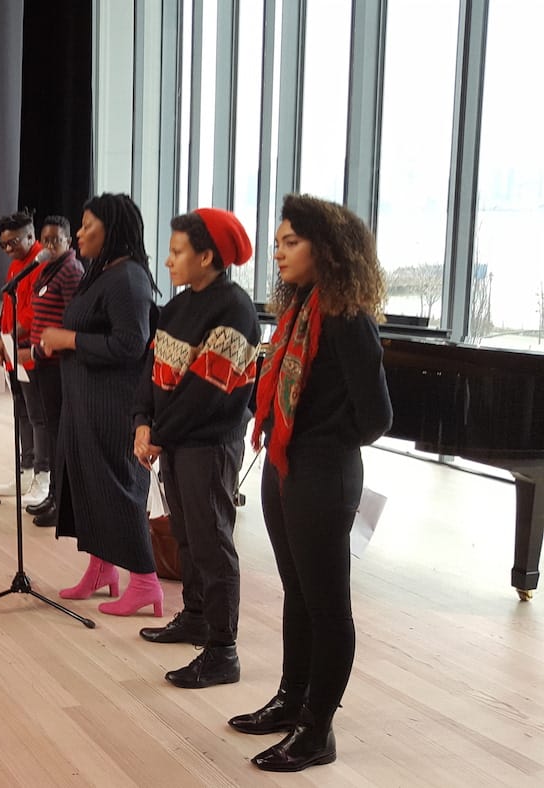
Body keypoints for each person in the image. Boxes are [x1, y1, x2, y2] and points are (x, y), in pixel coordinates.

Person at [229, 194, 392, 773]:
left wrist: (321, 439)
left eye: (290, 242)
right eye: (277, 242)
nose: (278, 252)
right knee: (297, 593)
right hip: (285, 465)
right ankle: (290, 700)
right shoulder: (301, 307)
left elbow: (377, 416)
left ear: (326, 249)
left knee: (327, 606)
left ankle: (317, 729)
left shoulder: (347, 317)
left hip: (322, 474)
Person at [131, 208, 259, 690]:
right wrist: (142, 421)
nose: (167, 261)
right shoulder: (178, 306)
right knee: (186, 534)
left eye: (177, 251)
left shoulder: (235, 310)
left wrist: (158, 433)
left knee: (211, 541)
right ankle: (197, 616)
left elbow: (207, 393)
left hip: (208, 443)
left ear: (207, 256)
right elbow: (151, 369)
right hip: (175, 439)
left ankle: (223, 649)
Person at [37, 193, 162, 617]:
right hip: (85, 400)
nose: (79, 232)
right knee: (88, 483)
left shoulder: (128, 278)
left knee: (116, 487)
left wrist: (68, 339)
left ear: (112, 230)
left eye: (88, 225)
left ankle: (145, 581)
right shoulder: (102, 273)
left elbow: (130, 343)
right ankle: (102, 568)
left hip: (113, 405)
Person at [25, 216, 84, 522]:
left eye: (55, 240)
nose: (49, 245)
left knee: (59, 434)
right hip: (42, 362)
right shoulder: (48, 268)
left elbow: (74, 319)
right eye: (45, 239)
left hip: (58, 364)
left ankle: (62, 504)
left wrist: (42, 347)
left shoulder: (71, 270)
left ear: (68, 242)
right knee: (51, 430)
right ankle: (53, 495)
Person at [0, 210, 45, 502]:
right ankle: (26, 470)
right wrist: (2, 344)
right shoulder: (15, 267)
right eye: (3, 244)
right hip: (13, 351)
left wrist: (6, 341)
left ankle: (43, 477)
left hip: (32, 354)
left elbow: (34, 315)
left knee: (37, 416)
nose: (8, 249)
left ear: (31, 236)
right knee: (21, 412)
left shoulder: (41, 264)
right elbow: (9, 310)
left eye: (13, 242)